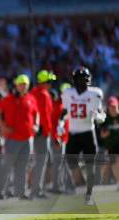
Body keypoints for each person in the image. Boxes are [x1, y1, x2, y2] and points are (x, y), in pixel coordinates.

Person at [59, 67, 105, 205]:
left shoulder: (94, 93)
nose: (83, 82)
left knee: (90, 165)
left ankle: (89, 194)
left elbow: (101, 112)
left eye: (84, 79)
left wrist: (99, 117)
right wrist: (60, 123)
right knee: (69, 159)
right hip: (73, 133)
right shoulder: (68, 93)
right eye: (80, 79)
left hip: (87, 133)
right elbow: (65, 111)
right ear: (75, 80)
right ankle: (81, 183)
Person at [0, 75, 39, 199]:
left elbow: (36, 113)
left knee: (23, 166)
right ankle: (0, 191)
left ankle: (22, 192)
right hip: (12, 138)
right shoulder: (8, 99)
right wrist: (2, 126)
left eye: (25, 84)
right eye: (21, 84)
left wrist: (36, 125)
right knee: (7, 165)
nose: (23, 86)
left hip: (27, 138)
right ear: (16, 85)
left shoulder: (31, 99)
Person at [29, 70, 56, 198]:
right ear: (46, 82)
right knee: (41, 161)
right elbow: (44, 115)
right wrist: (48, 131)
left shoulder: (33, 92)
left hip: (34, 132)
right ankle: (37, 190)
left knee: (38, 161)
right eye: (50, 82)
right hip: (42, 133)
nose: (51, 85)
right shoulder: (44, 95)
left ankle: (37, 188)